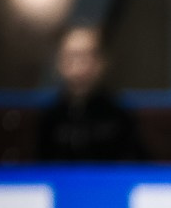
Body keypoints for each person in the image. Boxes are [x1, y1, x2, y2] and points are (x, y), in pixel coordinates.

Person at [36, 25, 148, 162]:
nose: (79, 67)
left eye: (87, 57)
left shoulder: (120, 116)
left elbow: (139, 167)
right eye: (71, 57)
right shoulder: (49, 118)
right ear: (59, 63)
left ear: (101, 63)